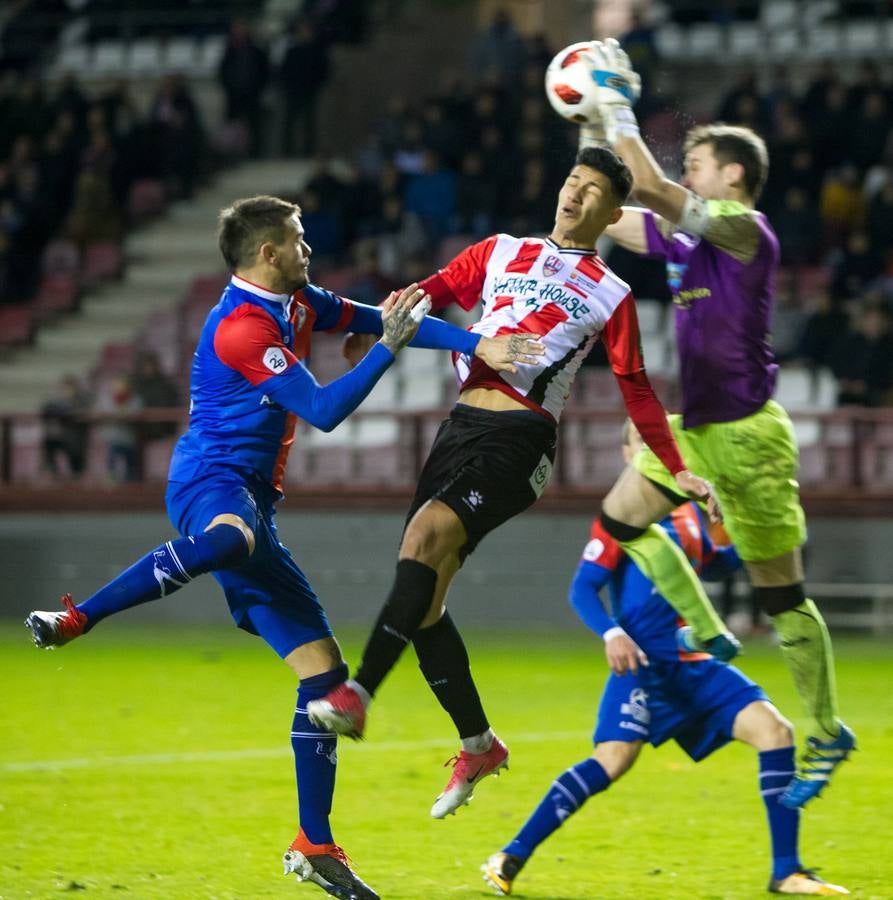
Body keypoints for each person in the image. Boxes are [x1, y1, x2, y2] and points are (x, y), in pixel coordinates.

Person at [25, 195, 542, 900]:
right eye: (298, 241)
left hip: (255, 509)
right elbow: (326, 410)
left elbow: (377, 320)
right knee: (227, 538)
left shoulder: (297, 303)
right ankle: (78, 617)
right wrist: (388, 350)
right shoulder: (241, 327)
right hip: (209, 482)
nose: (309, 250)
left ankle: (314, 843)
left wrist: (472, 343)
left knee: (326, 681)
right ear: (268, 254)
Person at [308, 146, 732, 819]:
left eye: (592, 190)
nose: (574, 195)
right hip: (459, 431)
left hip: (520, 441)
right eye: (571, 181)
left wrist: (674, 465)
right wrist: (374, 329)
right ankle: (479, 745)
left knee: (422, 539)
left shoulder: (611, 294)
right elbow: (424, 297)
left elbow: (636, 387)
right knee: (423, 600)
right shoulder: (498, 250)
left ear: (611, 213)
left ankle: (357, 694)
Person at [570, 39, 855, 807]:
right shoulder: (682, 237)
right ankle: (707, 628)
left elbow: (657, 189)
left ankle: (826, 729)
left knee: (782, 598)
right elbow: (611, 209)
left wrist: (616, 103)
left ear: (732, 177)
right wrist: (590, 128)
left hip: (751, 435)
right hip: (692, 426)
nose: (687, 171)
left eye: (699, 163)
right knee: (620, 521)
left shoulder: (743, 231)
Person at [481, 424, 849, 898]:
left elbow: (715, 565)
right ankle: (510, 856)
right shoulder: (623, 518)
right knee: (611, 761)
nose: (655, 451)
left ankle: (788, 872)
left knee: (776, 732)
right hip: (644, 667)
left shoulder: (692, 514)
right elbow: (581, 589)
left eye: (662, 444)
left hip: (694, 663)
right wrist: (612, 633)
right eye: (643, 443)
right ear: (626, 452)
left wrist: (762, 535)